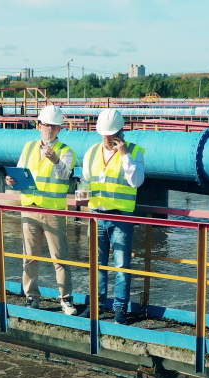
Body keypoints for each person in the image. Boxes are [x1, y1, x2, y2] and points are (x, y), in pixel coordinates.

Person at [5, 105, 78, 315]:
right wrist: (11, 180)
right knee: (29, 256)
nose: (50, 129)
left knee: (59, 257)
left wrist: (55, 159)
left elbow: (64, 175)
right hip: (30, 208)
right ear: (39, 126)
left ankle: (66, 298)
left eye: (54, 126)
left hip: (54, 211)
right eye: (46, 125)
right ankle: (31, 296)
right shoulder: (28, 147)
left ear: (60, 129)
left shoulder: (66, 151)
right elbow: (21, 172)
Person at [78, 108, 145, 324]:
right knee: (97, 265)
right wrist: (83, 194)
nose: (107, 138)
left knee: (121, 266)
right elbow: (86, 180)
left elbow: (136, 182)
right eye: (104, 134)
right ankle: (96, 306)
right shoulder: (91, 152)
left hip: (121, 218)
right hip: (96, 216)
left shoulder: (134, 152)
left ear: (121, 131)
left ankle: (120, 309)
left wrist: (125, 155)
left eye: (111, 134)